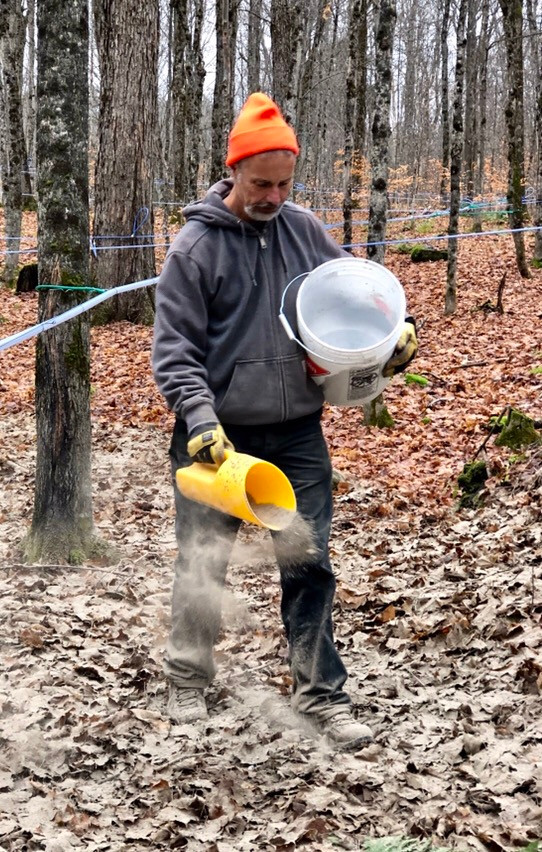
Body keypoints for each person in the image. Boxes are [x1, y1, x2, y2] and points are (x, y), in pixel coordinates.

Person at [151, 92, 417, 749]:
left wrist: (395, 342)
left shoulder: (305, 232)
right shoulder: (195, 248)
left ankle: (321, 696)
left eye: (284, 183)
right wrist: (200, 419)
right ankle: (187, 680)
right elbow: (174, 350)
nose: (272, 195)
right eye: (260, 183)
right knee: (202, 561)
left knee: (309, 561)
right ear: (233, 171)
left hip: (298, 432)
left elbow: (354, 303)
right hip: (216, 441)